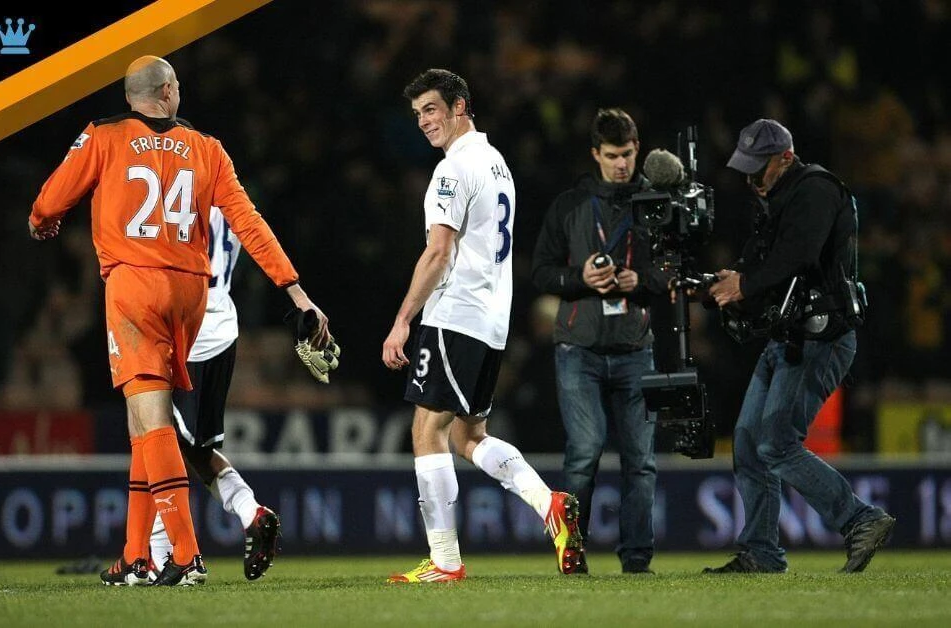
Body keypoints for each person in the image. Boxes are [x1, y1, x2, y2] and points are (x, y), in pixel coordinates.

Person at [29, 55, 329, 586]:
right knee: (142, 427)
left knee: (153, 423)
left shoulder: (104, 134)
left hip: (134, 289)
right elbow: (249, 224)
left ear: (132, 97)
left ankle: (184, 557)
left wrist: (41, 223)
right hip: (192, 294)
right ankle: (134, 557)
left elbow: (50, 200)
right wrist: (296, 292)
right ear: (167, 91)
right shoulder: (208, 149)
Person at [381, 68, 582, 583]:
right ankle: (549, 503)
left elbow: (439, 250)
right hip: (493, 319)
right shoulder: (496, 163)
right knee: (470, 436)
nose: (424, 122)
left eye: (431, 109)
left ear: (459, 106)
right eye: (418, 113)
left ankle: (445, 560)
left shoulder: (454, 170)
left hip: (456, 314)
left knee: (427, 429)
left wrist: (403, 320)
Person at [704, 119, 895, 574]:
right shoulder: (776, 199)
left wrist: (744, 285)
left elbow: (799, 256)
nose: (752, 179)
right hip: (787, 337)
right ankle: (762, 553)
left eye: (760, 168)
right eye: (746, 169)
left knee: (775, 443)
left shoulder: (816, 189)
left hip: (823, 338)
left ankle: (859, 519)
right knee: (749, 443)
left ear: (786, 158)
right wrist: (719, 285)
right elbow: (760, 263)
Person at [530, 108, 670, 574]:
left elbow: (670, 272)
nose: (621, 165)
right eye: (611, 156)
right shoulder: (570, 205)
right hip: (579, 350)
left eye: (628, 154)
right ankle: (571, 555)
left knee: (641, 461)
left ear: (638, 150)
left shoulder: (653, 205)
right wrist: (580, 276)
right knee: (584, 454)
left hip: (635, 348)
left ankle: (637, 561)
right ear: (595, 154)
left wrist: (640, 280)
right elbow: (540, 272)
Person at [141, 205, 281, 582]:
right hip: (223, 326)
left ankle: (165, 554)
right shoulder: (234, 203)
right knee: (195, 449)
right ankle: (251, 511)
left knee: (157, 435)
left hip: (187, 323)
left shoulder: (177, 193)